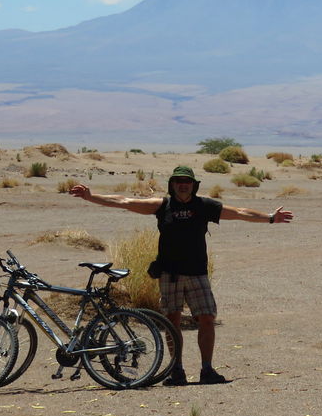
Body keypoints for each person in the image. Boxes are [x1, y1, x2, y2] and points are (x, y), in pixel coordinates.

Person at [69, 165, 293, 385]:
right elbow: (125, 202)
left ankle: (207, 370)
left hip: (197, 273)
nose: (183, 185)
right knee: (172, 321)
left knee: (207, 318)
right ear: (172, 185)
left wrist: (271, 218)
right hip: (170, 274)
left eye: (187, 182)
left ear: (193, 185)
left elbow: (241, 213)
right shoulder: (162, 205)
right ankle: (176, 370)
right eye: (178, 182)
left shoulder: (205, 205)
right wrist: (91, 197)